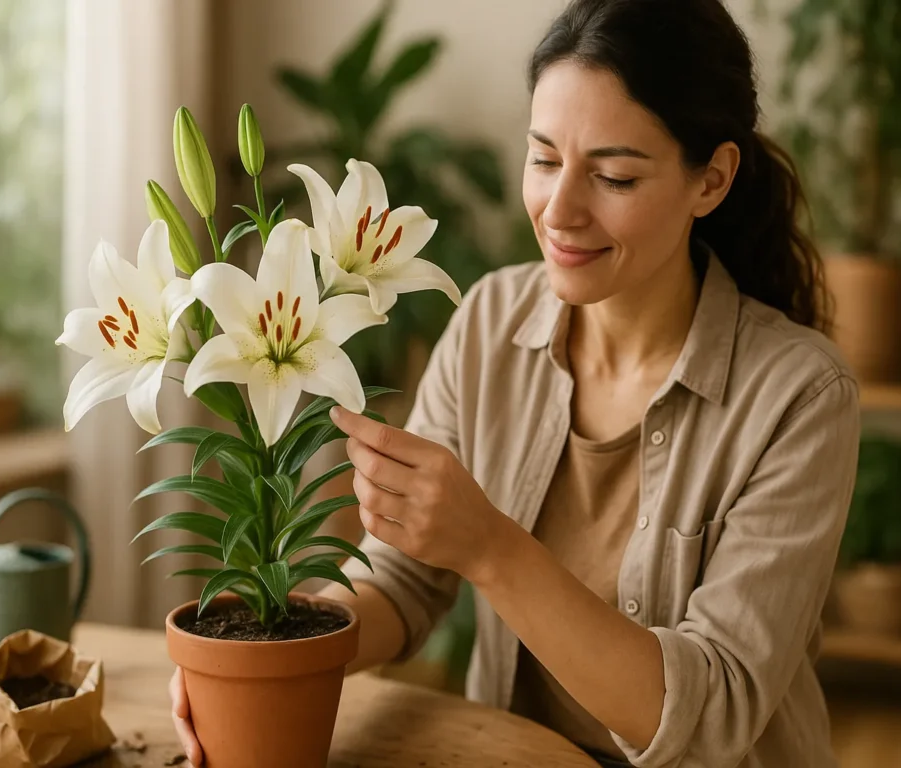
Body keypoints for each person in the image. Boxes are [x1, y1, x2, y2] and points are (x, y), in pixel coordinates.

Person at [171, 0, 860, 765]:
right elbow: (401, 581)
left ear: (712, 179)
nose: (559, 210)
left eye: (614, 175)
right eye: (542, 159)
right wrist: (266, 656)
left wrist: (490, 547)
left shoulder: (800, 397)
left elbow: (713, 713)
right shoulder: (490, 320)